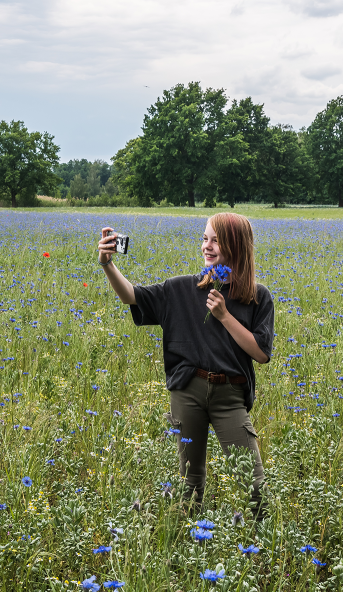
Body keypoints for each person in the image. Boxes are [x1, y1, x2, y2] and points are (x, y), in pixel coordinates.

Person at [97, 212, 274, 515]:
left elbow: (260, 352)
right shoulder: (180, 289)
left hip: (229, 397)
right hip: (187, 393)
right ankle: (190, 545)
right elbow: (131, 296)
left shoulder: (257, 297)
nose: (207, 246)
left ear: (237, 245)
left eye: (216, 240)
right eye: (205, 239)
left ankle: (262, 553)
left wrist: (224, 316)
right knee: (189, 483)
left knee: (253, 484)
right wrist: (107, 264)